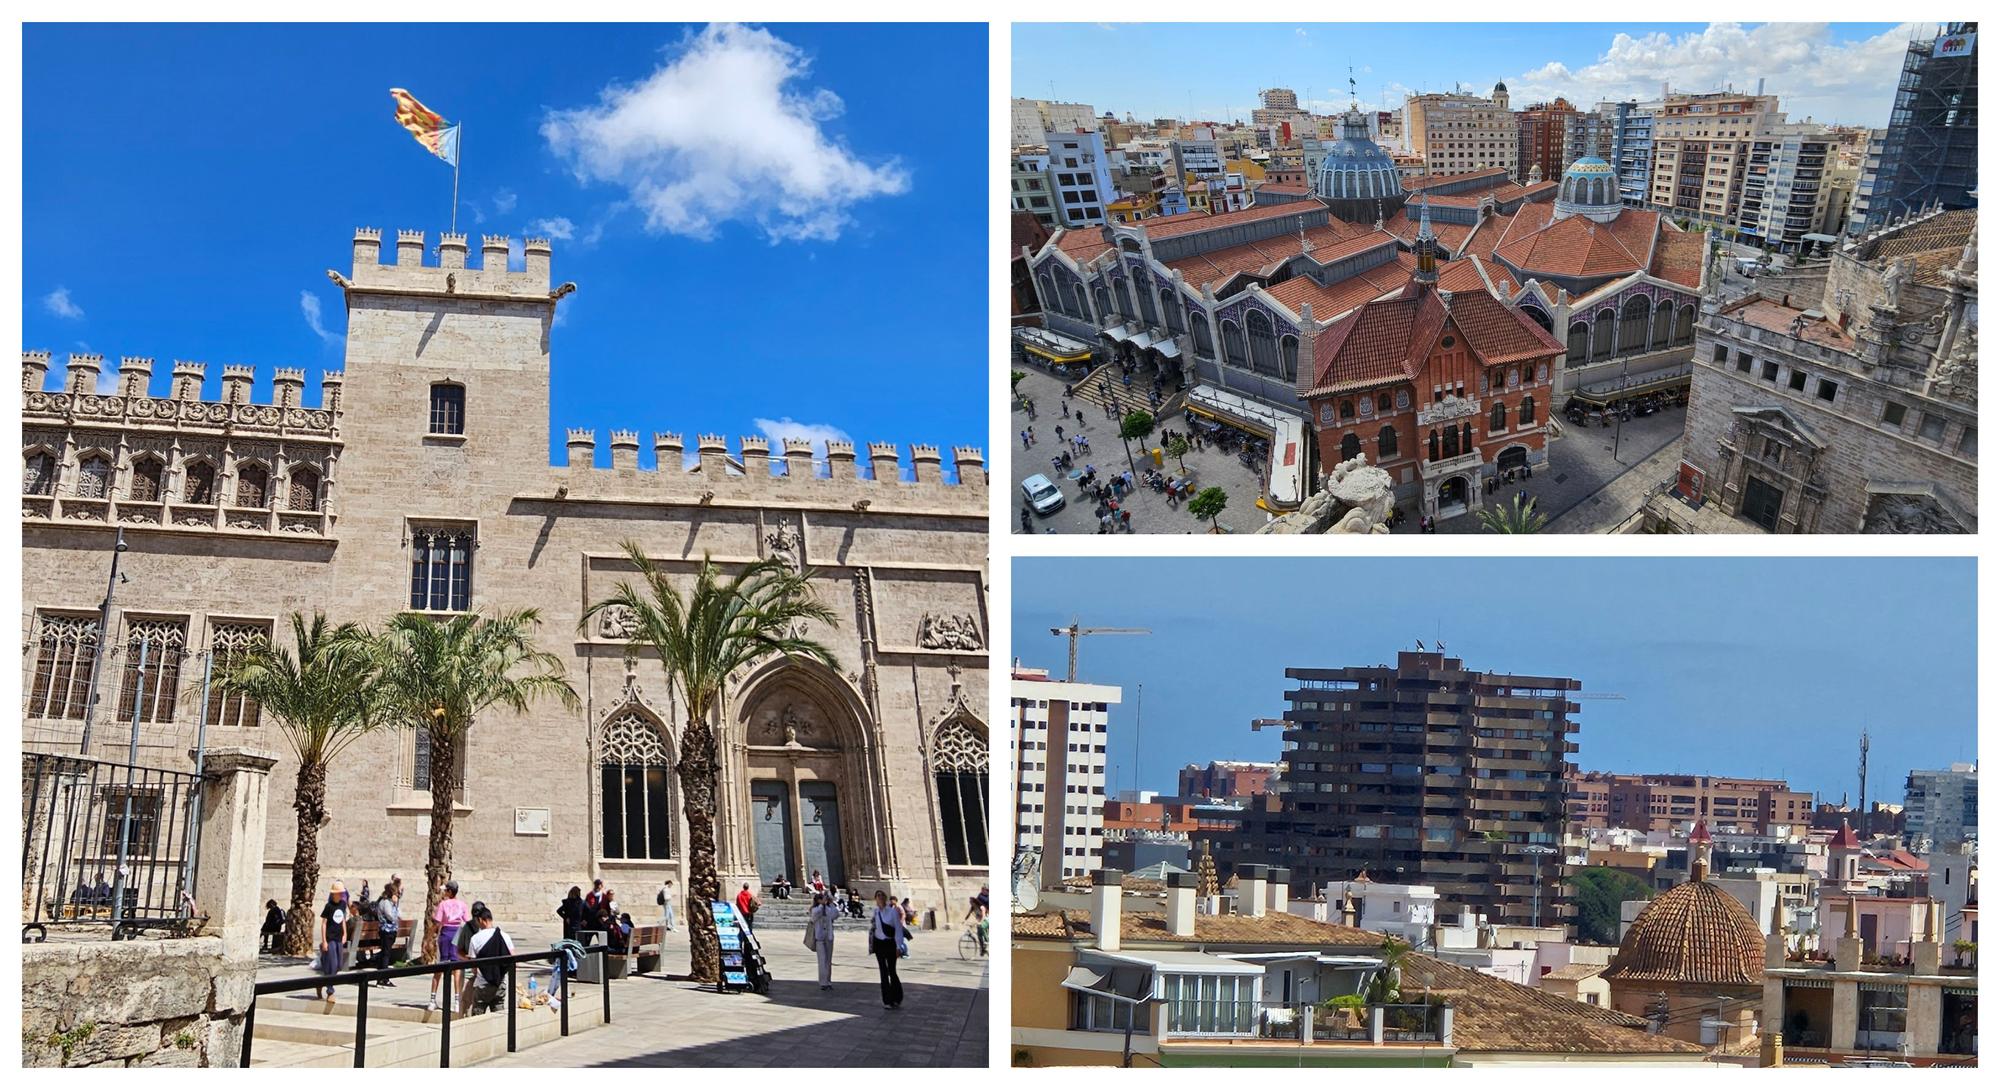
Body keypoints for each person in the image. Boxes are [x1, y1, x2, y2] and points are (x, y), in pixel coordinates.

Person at [459, 901, 516, 1015]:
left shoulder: (476, 939)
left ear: (481, 920)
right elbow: (513, 958)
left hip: (482, 985)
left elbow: (473, 966)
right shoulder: (504, 936)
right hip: (500, 983)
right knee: (499, 1014)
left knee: (478, 1014)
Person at [429, 880, 470, 1011]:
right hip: (457, 933)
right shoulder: (462, 905)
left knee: (440, 966)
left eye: (446, 890)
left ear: (450, 892)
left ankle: (432, 999)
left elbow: (436, 923)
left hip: (446, 933)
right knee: (456, 967)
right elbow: (468, 922)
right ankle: (457, 1001)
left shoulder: (443, 904)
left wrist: (429, 937)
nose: (444, 892)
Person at [869, 890, 909, 1009]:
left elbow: (898, 929)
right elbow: (872, 928)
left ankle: (897, 997)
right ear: (875, 899)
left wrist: (899, 946)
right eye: (878, 896)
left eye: (882, 896)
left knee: (892, 971)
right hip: (879, 945)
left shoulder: (892, 912)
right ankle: (887, 1000)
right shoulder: (875, 912)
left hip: (890, 944)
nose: (880, 898)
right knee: (883, 971)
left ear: (885, 899)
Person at [316, 881, 349, 1000]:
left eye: (342, 893)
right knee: (332, 964)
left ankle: (321, 981)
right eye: (339, 893)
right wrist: (324, 941)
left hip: (339, 938)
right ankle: (330, 990)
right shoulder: (328, 906)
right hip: (330, 939)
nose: (340, 895)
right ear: (333, 894)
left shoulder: (342, 905)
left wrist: (345, 933)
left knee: (339, 965)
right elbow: (324, 924)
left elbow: (343, 920)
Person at [806, 891, 839, 990]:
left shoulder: (829, 909)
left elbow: (836, 914)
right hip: (819, 938)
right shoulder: (815, 909)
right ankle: (823, 982)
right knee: (822, 960)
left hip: (829, 937)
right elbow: (814, 917)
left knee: (828, 960)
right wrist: (821, 906)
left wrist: (831, 903)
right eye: (822, 899)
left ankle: (828, 981)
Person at [373, 879, 403, 979]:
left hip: (391, 931)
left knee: (386, 953)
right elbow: (391, 916)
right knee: (385, 954)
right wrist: (394, 906)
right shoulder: (385, 902)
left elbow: (400, 915)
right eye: (395, 892)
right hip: (386, 931)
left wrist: (396, 904)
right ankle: (383, 978)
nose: (396, 895)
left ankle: (382, 977)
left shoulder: (391, 903)